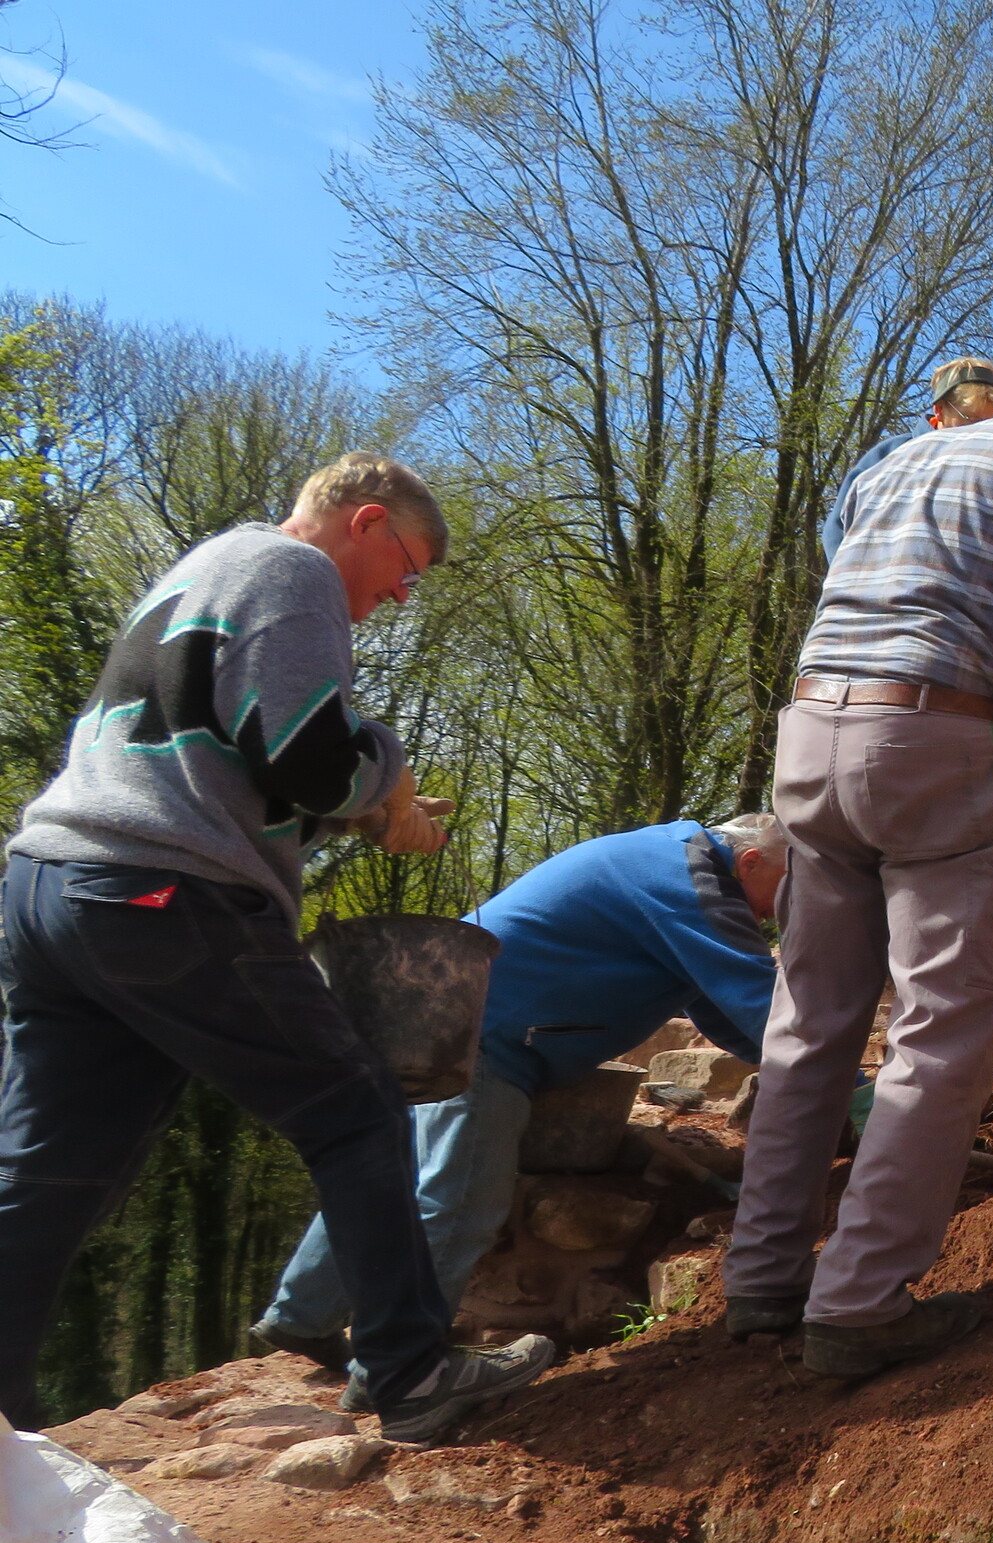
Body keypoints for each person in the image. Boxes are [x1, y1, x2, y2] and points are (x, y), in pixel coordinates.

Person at [0, 453, 555, 1443]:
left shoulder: (206, 568)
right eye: (408, 567)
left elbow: (226, 758)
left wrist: (368, 817)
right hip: (164, 892)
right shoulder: (296, 572)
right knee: (358, 1108)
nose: (403, 594)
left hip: (54, 886)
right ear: (366, 521)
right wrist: (385, 772)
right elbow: (311, 758)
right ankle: (411, 1372)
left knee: (50, 1168)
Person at [725, 378, 993, 1379]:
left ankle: (762, 1276)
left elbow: (843, 587)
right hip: (935, 741)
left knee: (810, 1016)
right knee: (941, 1024)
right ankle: (859, 1304)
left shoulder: (901, 458)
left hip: (811, 736)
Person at [249, 813, 792, 1374]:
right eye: (786, 891)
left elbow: (724, 1008)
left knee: (387, 1178)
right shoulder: (692, 881)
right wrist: (834, 1079)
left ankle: (302, 1315)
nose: (778, 916)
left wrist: (778, 1057)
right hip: (481, 1038)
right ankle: (401, 1371)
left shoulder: (667, 861)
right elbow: (761, 1001)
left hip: (428, 1023)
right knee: (460, 1204)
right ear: (750, 862)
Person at [818, 356, 993, 558]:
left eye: (989, 425)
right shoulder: (890, 454)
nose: (978, 431)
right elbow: (838, 527)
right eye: (970, 420)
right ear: (939, 409)